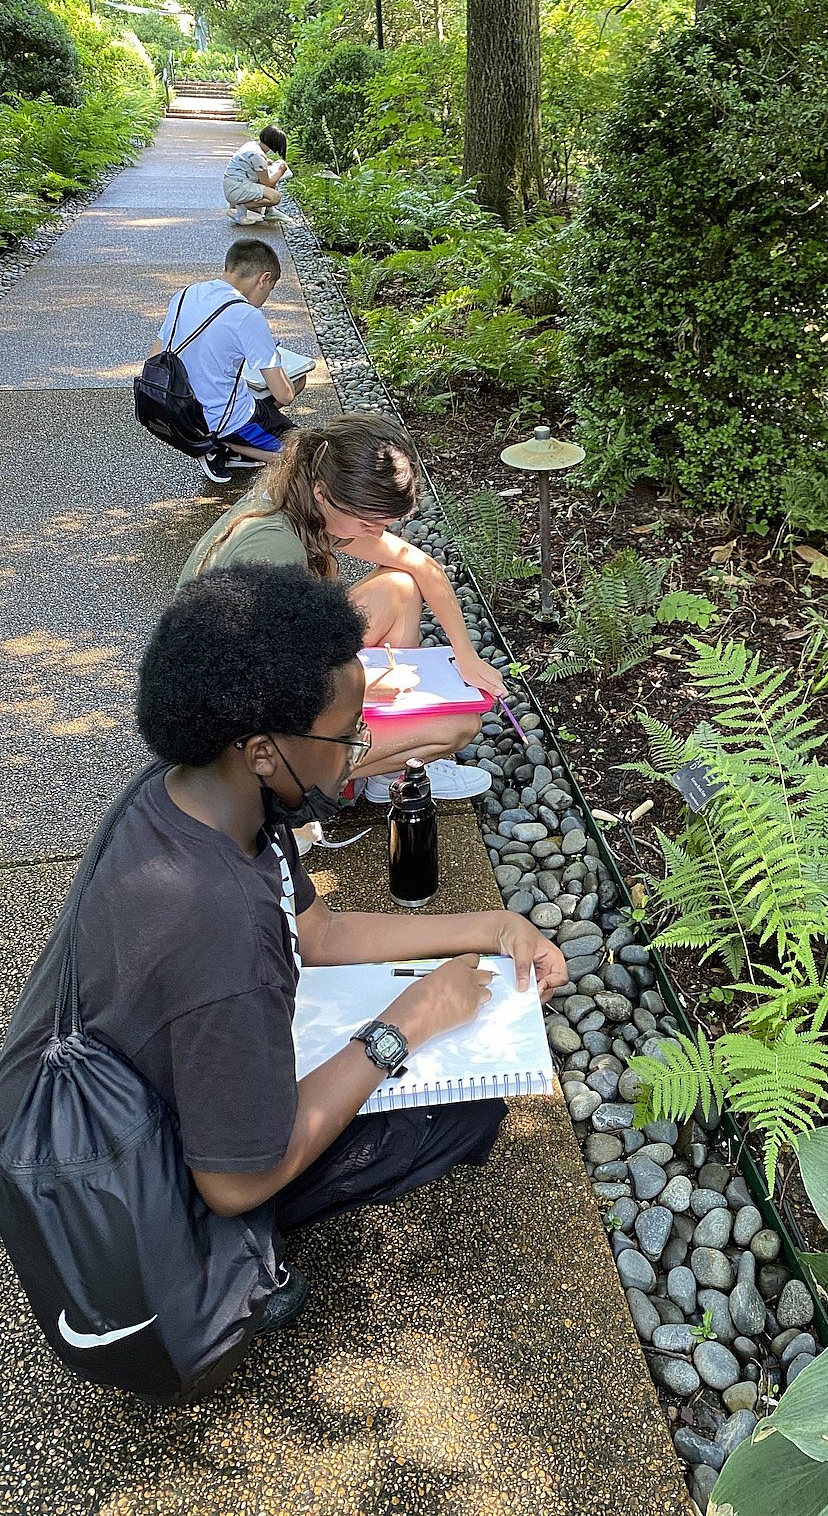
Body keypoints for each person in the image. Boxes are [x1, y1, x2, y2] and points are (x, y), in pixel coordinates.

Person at [0, 564, 566, 1336]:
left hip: (127, 1078)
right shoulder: (222, 924)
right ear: (264, 749)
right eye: (345, 737)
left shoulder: (203, 795)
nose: (356, 751)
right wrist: (406, 1022)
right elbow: (235, 1180)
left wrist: (494, 926)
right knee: (463, 1114)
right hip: (144, 1175)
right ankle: (235, 1270)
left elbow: (320, 931)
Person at [178, 411, 507, 802]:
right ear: (323, 493)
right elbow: (267, 686)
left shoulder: (305, 505)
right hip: (237, 734)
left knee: (399, 587)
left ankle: (387, 774)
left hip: (263, 674)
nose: (378, 533)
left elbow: (420, 565)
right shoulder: (274, 548)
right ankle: (286, 797)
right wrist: (363, 689)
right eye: (370, 522)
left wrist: (465, 656)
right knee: (459, 725)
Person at [149, 238, 303, 485]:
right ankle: (221, 441)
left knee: (286, 382)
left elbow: (154, 357)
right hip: (220, 417)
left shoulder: (186, 293)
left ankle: (225, 445)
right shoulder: (247, 316)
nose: (266, 297)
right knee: (305, 455)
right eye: (270, 288)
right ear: (263, 279)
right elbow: (284, 395)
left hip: (179, 411)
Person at [223, 123, 290, 226]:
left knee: (269, 175)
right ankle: (240, 209)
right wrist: (281, 170)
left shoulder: (252, 145)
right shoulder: (257, 155)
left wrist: (266, 163)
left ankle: (270, 211)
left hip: (233, 184)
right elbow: (268, 183)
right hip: (236, 188)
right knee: (274, 197)